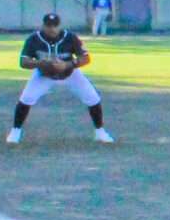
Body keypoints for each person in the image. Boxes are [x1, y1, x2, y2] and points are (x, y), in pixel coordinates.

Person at [9, 12, 114, 145]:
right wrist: (41, 63)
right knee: (26, 98)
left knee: (93, 98)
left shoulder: (70, 37)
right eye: (49, 26)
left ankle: (100, 132)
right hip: (44, 74)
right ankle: (15, 131)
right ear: (43, 26)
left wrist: (68, 64)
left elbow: (86, 58)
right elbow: (23, 62)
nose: (52, 29)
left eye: (55, 25)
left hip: (70, 73)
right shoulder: (34, 39)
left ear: (59, 26)